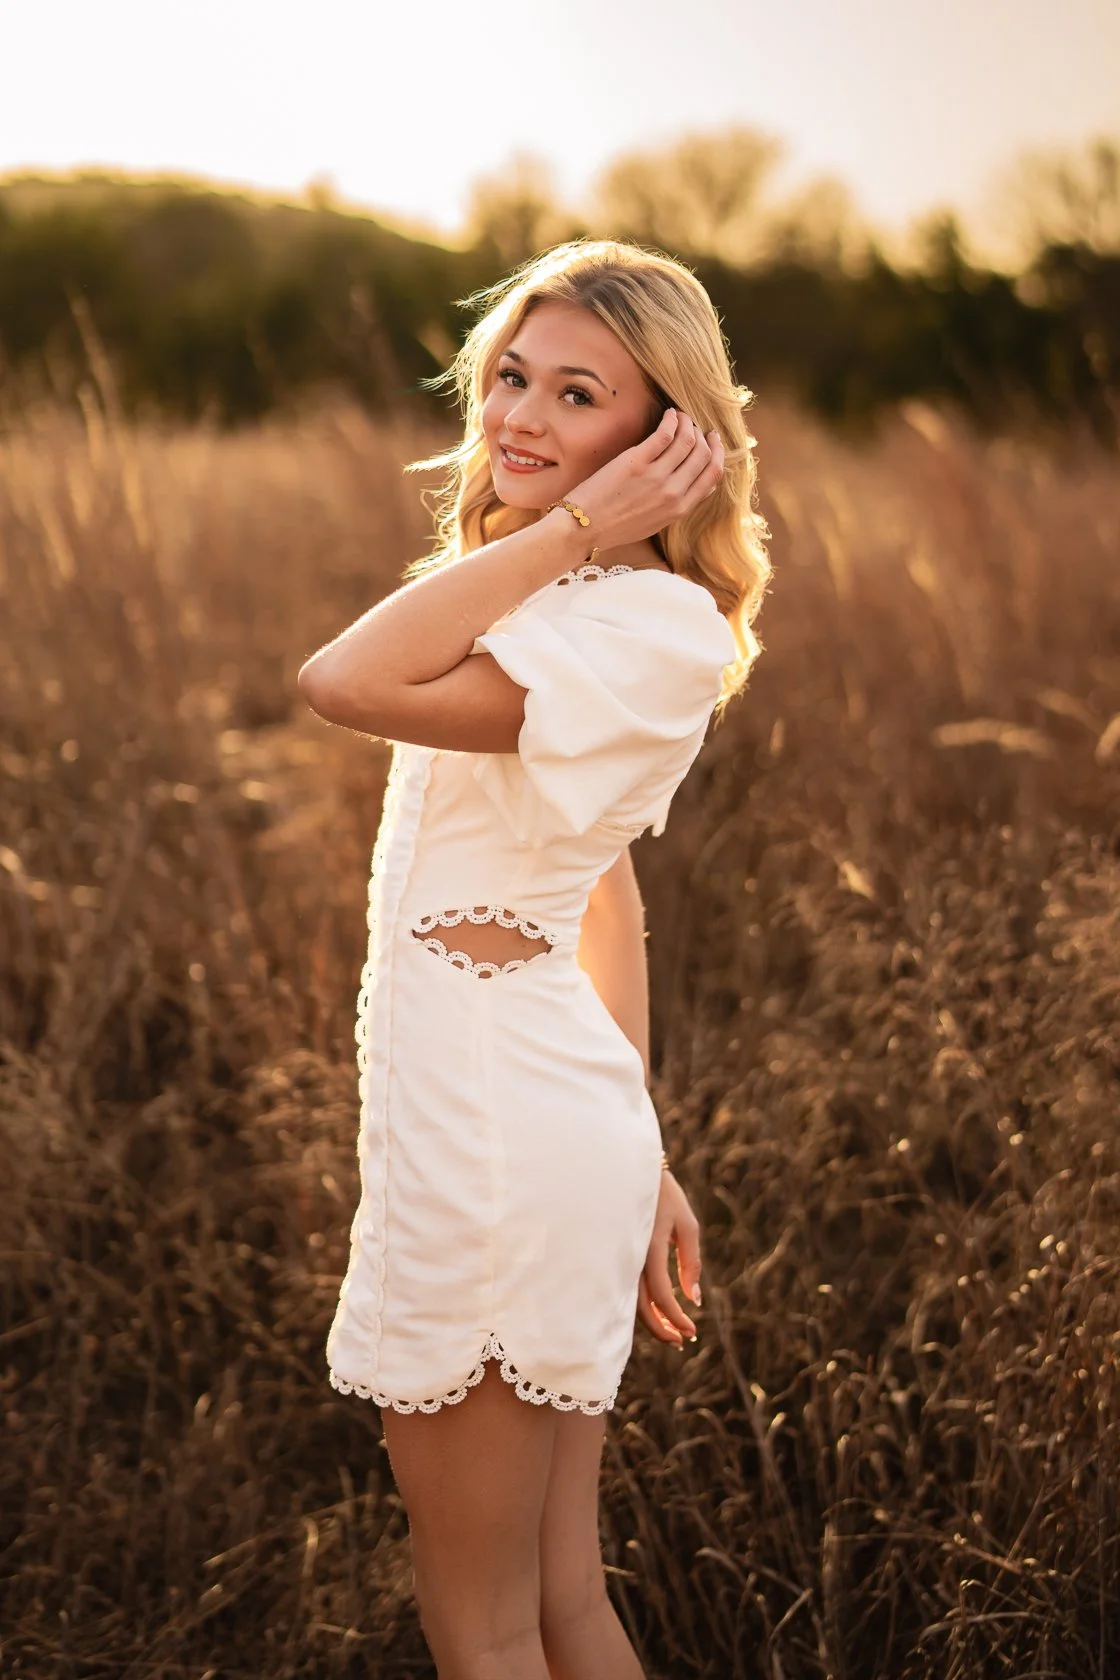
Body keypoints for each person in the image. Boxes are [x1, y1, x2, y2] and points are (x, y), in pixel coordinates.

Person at [297, 238, 770, 1680]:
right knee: (558, 1605)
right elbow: (604, 889)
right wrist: (645, 1147)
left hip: (493, 1136)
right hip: (546, 1119)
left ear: (664, 441)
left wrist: (569, 529)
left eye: (578, 395)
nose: (518, 416)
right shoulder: (557, 606)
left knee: (491, 1624)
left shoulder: (640, 619)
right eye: (511, 373)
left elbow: (341, 683)